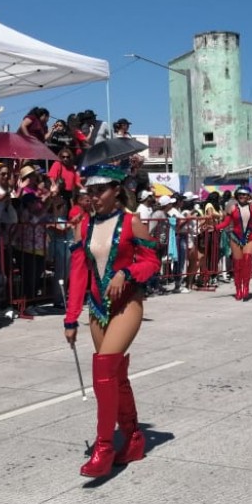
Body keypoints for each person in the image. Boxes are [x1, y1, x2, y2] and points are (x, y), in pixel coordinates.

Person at [63, 165, 160, 478]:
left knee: (104, 368)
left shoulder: (133, 222)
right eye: (90, 191)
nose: (94, 197)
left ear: (117, 189)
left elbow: (151, 261)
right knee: (114, 375)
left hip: (126, 305)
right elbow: (79, 273)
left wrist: (126, 273)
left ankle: (103, 448)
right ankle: (132, 438)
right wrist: (70, 317)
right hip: (97, 309)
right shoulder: (84, 226)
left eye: (100, 190)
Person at [213, 186, 252, 300]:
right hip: (235, 238)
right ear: (237, 196)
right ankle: (238, 289)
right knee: (237, 265)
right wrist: (215, 227)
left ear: (249, 196)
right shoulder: (232, 208)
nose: (243, 196)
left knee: (247, 261)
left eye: (245, 195)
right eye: (240, 194)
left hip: (250, 237)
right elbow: (226, 223)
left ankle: (246, 287)